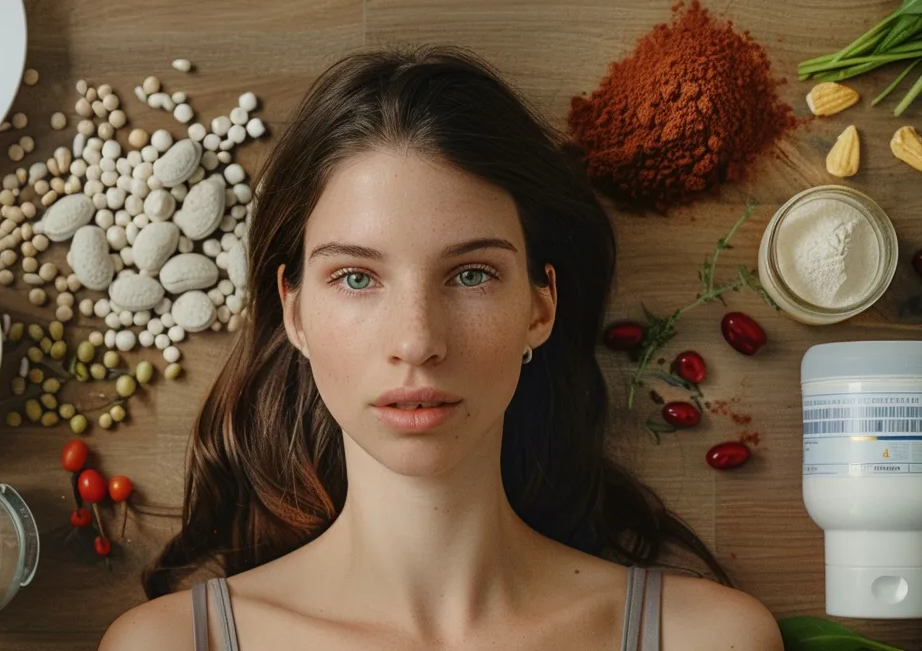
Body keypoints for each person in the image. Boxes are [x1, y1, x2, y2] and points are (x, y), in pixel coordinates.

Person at [99, 47, 781, 651]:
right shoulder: (169, 645)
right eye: (357, 278)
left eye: (472, 274)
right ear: (295, 310)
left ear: (540, 308)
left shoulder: (707, 639)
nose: (417, 341)